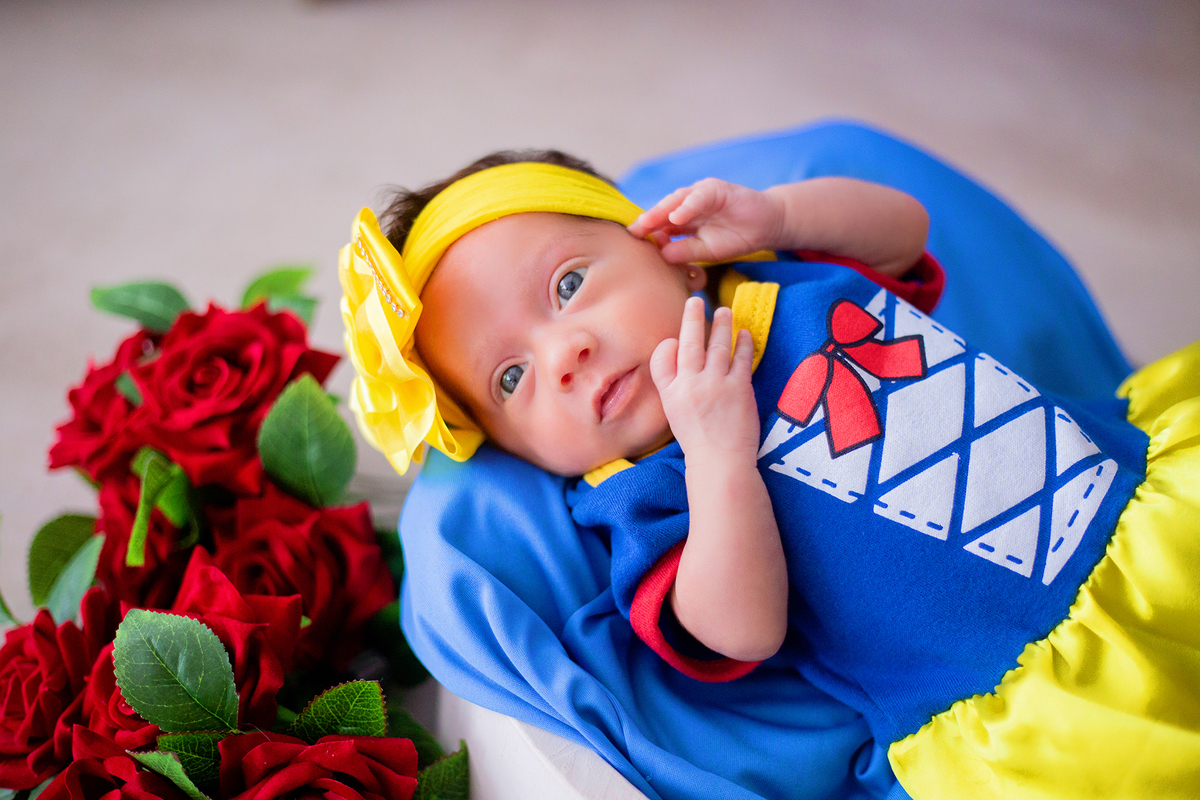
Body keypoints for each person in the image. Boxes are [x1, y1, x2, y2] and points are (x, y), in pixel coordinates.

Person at [339, 149, 1200, 798]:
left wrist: (779, 216)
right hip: (1028, 687)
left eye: (567, 286)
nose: (562, 355)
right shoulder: (639, 486)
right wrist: (719, 457)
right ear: (514, 449)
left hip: (1135, 496)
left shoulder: (770, 281)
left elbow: (907, 231)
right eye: (510, 379)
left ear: (671, 251)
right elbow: (736, 631)